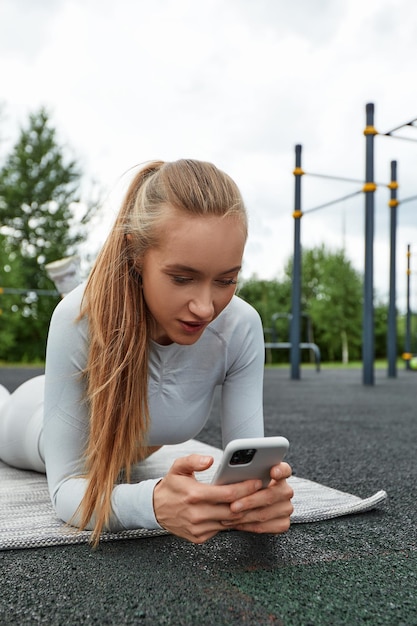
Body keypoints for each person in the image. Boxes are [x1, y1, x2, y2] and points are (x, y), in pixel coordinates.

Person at [1, 159, 293, 546]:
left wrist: (254, 501)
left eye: (227, 280)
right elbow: (67, 493)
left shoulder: (240, 327)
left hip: (122, 451)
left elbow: (248, 464)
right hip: (28, 420)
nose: (206, 307)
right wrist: (154, 503)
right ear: (136, 255)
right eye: (182, 278)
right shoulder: (76, 317)